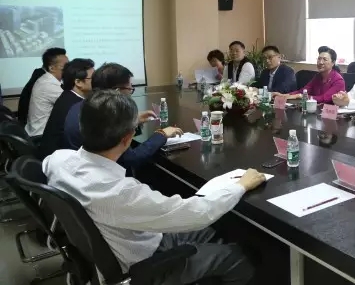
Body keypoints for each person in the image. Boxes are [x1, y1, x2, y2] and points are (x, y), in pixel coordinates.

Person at [44, 90, 264, 284]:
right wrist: (240, 185)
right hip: (143, 266)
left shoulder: (57, 160)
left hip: (131, 242)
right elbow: (198, 213)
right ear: (128, 137)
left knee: (210, 233)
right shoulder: (120, 193)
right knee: (236, 258)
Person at [64, 63, 182, 172]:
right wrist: (162, 134)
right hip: (102, 173)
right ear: (117, 92)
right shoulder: (107, 116)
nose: (130, 94)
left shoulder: (81, 106)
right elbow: (131, 159)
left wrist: (132, 121)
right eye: (130, 89)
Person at [39, 58, 94, 159]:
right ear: (78, 82)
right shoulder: (75, 105)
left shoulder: (68, 96)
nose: (97, 80)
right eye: (93, 78)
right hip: (59, 159)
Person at [276, 46, 345, 104]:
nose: (320, 62)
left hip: (331, 113)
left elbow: (324, 98)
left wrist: (301, 96)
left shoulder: (338, 81)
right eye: (319, 59)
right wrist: (284, 95)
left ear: (333, 63)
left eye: (325, 59)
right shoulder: (318, 76)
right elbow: (304, 91)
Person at [25, 48, 69, 136]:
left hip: (42, 131)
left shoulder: (48, 79)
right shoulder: (48, 84)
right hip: (41, 135)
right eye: (65, 67)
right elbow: (71, 105)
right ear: (51, 68)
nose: (68, 70)